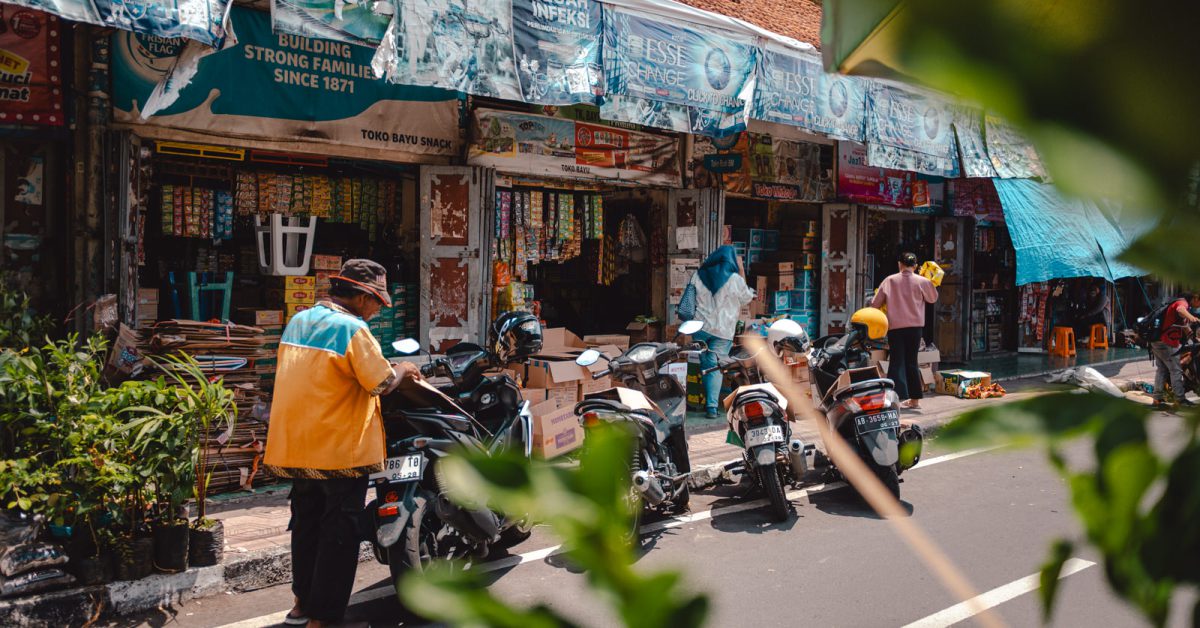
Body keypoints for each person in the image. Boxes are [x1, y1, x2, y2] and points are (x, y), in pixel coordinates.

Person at [264, 259, 423, 628]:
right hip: (338, 450)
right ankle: (326, 618)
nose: (378, 309)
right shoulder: (353, 329)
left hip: (296, 446)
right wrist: (405, 369)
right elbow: (381, 383)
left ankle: (302, 604)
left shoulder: (299, 320)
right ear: (362, 295)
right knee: (339, 534)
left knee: (306, 525)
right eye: (376, 301)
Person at [688, 246, 755, 419]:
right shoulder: (735, 279)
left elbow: (690, 298)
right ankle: (711, 406)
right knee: (714, 366)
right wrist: (741, 270)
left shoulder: (698, 275)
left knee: (704, 363)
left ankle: (698, 400)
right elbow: (747, 298)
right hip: (723, 331)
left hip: (700, 328)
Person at [870, 252, 939, 410]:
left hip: (895, 328)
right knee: (912, 362)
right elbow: (932, 299)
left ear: (899, 264)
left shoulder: (890, 280)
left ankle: (894, 399)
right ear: (915, 266)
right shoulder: (922, 281)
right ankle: (915, 400)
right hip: (915, 329)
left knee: (896, 362)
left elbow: (875, 303)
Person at [1151, 291, 1200, 406]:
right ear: (1195, 298)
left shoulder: (1176, 303)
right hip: (1166, 342)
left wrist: (1195, 339)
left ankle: (1157, 399)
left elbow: (1185, 327)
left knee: (1162, 370)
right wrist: (1193, 318)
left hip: (1157, 341)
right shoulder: (1182, 303)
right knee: (1176, 370)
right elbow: (1180, 310)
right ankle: (1180, 400)